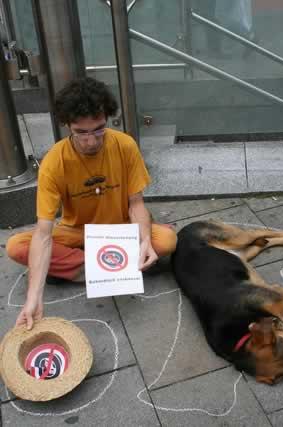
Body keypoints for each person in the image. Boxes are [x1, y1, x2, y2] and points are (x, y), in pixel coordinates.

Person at [6, 77, 177, 329]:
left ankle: (86, 270)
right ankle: (110, 269)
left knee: (166, 241)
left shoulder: (125, 145)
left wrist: (145, 241)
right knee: (16, 246)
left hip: (119, 227)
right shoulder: (54, 162)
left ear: (107, 119)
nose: (91, 141)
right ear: (67, 126)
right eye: (81, 132)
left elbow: (136, 204)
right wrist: (33, 298)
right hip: (77, 231)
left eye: (98, 129)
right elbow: (44, 233)